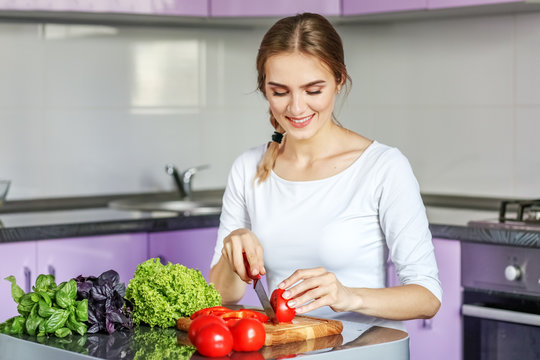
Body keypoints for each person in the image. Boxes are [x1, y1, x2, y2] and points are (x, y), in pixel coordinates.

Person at [209, 13, 441, 321]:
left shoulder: (383, 167)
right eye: (280, 91)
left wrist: (348, 296)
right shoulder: (247, 168)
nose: (296, 107)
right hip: (284, 350)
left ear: (338, 80)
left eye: (313, 90)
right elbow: (225, 295)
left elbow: (427, 297)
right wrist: (232, 248)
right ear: (264, 88)